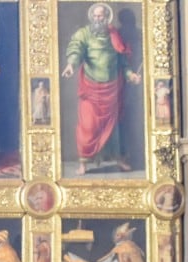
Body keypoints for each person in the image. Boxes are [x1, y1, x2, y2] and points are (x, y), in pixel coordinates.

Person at [63, 3, 140, 173]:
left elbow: (122, 62)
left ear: (107, 17)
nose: (98, 19)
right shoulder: (83, 34)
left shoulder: (115, 36)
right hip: (91, 90)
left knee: (114, 130)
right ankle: (83, 162)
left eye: (102, 16)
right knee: (88, 126)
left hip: (111, 90)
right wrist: (71, 65)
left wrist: (131, 75)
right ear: (92, 17)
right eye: (96, 16)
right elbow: (76, 49)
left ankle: (119, 159)